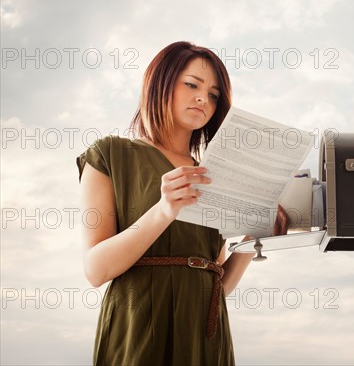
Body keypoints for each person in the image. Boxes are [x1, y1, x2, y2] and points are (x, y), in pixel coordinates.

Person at [76, 41, 288, 365]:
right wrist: (164, 210)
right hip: (138, 329)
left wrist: (254, 237)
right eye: (192, 84)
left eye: (214, 95)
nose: (203, 98)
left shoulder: (215, 175)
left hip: (206, 338)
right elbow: (96, 270)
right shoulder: (110, 154)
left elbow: (217, 282)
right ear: (160, 84)